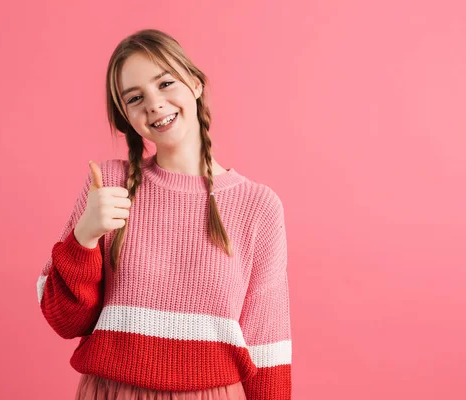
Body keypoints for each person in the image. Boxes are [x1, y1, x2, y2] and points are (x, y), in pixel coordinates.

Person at [36, 28, 292, 399]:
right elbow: (65, 320)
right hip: (111, 392)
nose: (154, 104)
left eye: (166, 83)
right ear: (126, 116)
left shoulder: (258, 206)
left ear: (196, 83)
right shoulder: (109, 184)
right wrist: (84, 237)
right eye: (135, 97)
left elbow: (267, 342)